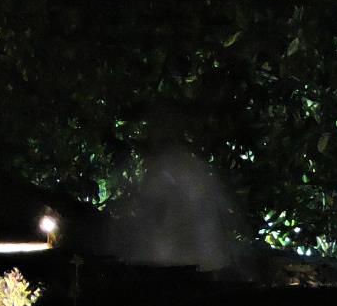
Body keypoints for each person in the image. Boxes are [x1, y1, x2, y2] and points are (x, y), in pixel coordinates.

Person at [105, 104, 245, 274]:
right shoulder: (187, 167)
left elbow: (158, 222)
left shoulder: (174, 170)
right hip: (194, 267)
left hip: (184, 269)